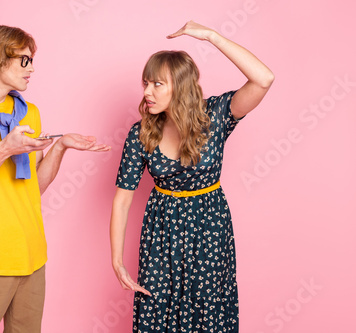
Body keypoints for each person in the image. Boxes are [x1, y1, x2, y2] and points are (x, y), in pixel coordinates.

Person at [0, 24, 109, 333]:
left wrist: (60, 147)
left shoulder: (28, 113)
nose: (32, 68)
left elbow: (31, 189)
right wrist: (3, 150)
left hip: (32, 258)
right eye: (24, 60)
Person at [110, 20, 274, 332]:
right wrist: (117, 262)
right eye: (145, 83)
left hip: (209, 228)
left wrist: (211, 36)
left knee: (207, 312)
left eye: (157, 84)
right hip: (161, 232)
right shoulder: (141, 133)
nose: (146, 92)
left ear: (181, 87)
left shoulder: (217, 115)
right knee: (158, 311)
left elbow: (264, 78)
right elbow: (121, 201)